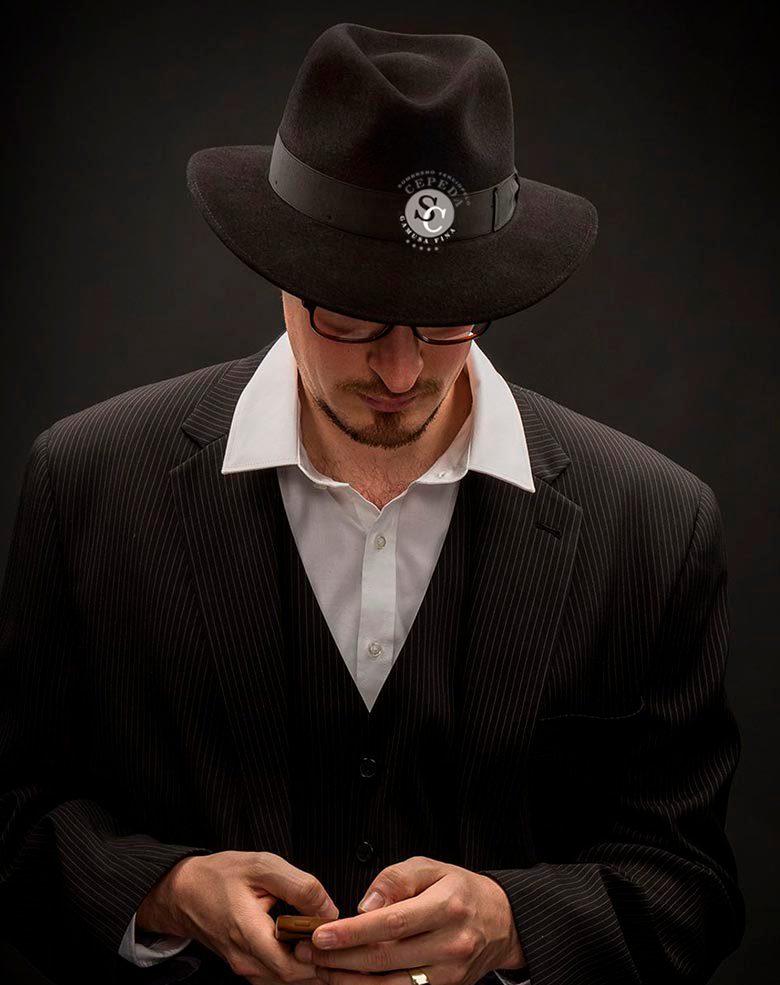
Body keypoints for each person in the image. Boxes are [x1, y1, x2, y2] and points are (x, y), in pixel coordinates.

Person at [0, 21, 745, 985]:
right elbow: (16, 822)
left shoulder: (654, 526)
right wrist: (165, 890)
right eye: (351, 315)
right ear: (282, 273)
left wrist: (515, 922)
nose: (400, 370)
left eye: (444, 320)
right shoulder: (86, 483)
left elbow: (692, 887)